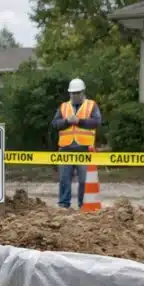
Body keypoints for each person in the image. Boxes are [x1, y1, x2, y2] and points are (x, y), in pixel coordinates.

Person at [52, 78, 101, 209]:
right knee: (64, 180)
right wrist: (67, 121)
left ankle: (83, 205)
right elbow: (55, 124)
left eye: (77, 93)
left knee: (84, 180)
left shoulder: (91, 105)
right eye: (72, 93)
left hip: (84, 149)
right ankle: (63, 204)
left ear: (83, 92)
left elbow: (96, 122)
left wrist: (79, 121)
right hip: (65, 149)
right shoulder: (63, 106)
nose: (74, 95)